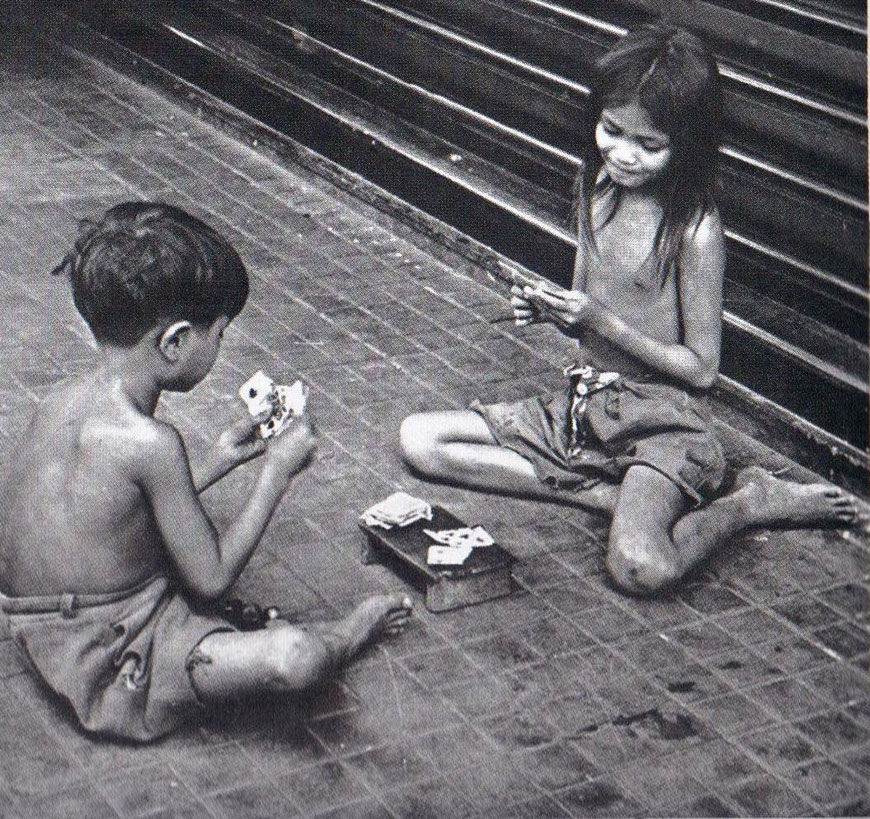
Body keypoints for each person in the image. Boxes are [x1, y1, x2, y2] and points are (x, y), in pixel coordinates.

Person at [400, 24, 856, 596]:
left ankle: (747, 503)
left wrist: (600, 321)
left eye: (649, 144)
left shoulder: (694, 230)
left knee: (641, 567)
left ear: (684, 145)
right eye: (612, 131)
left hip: (662, 423)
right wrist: (554, 309)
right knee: (420, 440)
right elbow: (585, 314)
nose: (623, 154)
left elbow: (702, 370)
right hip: (589, 408)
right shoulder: (596, 187)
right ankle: (611, 498)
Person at [0, 202, 412, 742]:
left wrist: (222, 454)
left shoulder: (62, 400)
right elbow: (213, 578)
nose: (219, 348)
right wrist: (277, 473)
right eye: (217, 335)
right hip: (107, 653)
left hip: (32, 619)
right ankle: (356, 627)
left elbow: (116, 504)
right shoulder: (152, 443)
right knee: (295, 657)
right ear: (174, 343)